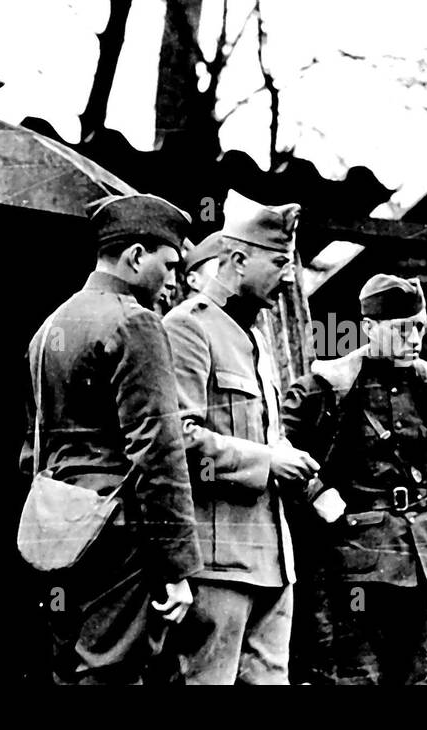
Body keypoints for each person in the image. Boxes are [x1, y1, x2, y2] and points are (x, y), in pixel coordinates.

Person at [279, 274, 427, 685]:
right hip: (349, 568)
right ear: (369, 328)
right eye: (403, 328)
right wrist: (315, 493)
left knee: (419, 678)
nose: (415, 337)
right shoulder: (327, 387)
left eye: (421, 326)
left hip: (421, 564)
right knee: (355, 678)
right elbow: (277, 450)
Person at [19, 193, 203, 685]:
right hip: (118, 532)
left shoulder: (50, 326)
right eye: (170, 265)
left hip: (58, 526)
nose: (173, 283)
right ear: (137, 256)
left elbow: (31, 451)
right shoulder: (135, 321)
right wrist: (176, 567)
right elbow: (159, 452)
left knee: (70, 670)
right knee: (114, 674)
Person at [162, 193, 317, 685]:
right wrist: (267, 461)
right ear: (238, 259)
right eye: (279, 263)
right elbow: (176, 440)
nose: (288, 277)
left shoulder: (255, 335)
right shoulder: (188, 328)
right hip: (218, 564)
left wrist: (285, 456)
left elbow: (261, 432)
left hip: (274, 562)